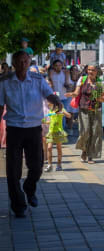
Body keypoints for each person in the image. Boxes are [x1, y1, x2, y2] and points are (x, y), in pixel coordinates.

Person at [0, 51, 62, 218]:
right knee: (13, 170)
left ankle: (29, 187)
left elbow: (48, 93)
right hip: (14, 128)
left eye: (25, 61)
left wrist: (55, 101)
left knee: (36, 166)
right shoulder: (4, 82)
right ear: (14, 63)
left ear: (29, 63)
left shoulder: (37, 80)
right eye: (19, 61)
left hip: (33, 128)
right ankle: (18, 205)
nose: (22, 64)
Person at [65, 63, 104, 164]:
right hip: (84, 109)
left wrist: (99, 98)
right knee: (85, 131)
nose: (90, 72)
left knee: (94, 132)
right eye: (89, 70)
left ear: (97, 72)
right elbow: (76, 92)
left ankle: (90, 155)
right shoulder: (82, 79)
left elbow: (103, 99)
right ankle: (84, 149)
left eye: (93, 70)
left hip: (96, 110)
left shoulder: (100, 83)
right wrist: (71, 94)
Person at [44, 102, 71, 172]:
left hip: (59, 131)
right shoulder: (50, 110)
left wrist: (62, 112)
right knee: (49, 148)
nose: (49, 103)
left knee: (59, 148)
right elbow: (51, 121)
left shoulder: (61, 108)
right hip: (51, 131)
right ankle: (49, 165)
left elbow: (69, 116)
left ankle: (59, 164)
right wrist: (44, 122)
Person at [48, 59, 69, 127]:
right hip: (54, 97)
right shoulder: (51, 73)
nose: (58, 67)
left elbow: (67, 83)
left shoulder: (64, 73)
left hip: (63, 96)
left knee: (63, 114)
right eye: (56, 65)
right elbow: (50, 82)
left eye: (60, 65)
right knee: (54, 114)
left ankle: (63, 130)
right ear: (53, 66)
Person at [65, 65, 80, 133]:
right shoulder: (68, 77)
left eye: (76, 70)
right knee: (66, 113)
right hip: (67, 97)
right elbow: (66, 85)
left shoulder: (79, 78)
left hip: (74, 97)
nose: (75, 71)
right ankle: (66, 126)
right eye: (74, 69)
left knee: (72, 114)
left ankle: (70, 128)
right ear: (71, 70)